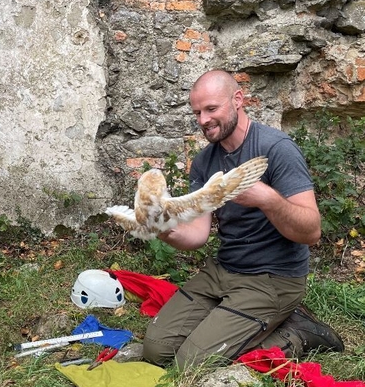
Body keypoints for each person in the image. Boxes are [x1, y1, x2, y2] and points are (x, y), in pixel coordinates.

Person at [142, 70, 344, 369]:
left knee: (193, 363)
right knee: (156, 351)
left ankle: (298, 332)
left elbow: (311, 231)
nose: (203, 120)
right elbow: (197, 234)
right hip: (224, 271)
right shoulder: (204, 162)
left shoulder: (276, 149)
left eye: (211, 109)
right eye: (197, 112)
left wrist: (267, 199)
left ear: (238, 100)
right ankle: (242, 321)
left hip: (274, 278)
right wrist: (164, 229)